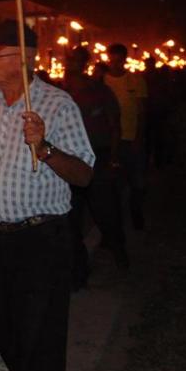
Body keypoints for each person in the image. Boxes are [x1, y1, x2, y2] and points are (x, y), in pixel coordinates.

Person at [0, 22, 94, 371]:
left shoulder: (56, 104)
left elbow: (83, 174)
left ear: (23, 59)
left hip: (40, 239)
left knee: (40, 333)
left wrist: (45, 148)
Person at [62, 48, 127, 288]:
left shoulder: (99, 91)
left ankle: (119, 250)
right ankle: (78, 273)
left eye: (76, 60)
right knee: (70, 219)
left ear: (85, 63)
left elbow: (114, 125)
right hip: (70, 160)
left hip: (97, 159)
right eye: (69, 59)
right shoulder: (61, 93)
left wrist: (114, 157)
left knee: (105, 210)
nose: (71, 64)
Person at [103, 43, 148, 229]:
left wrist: (139, 138)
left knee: (137, 182)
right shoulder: (102, 81)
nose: (115, 64)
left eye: (119, 60)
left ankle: (136, 214)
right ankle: (115, 222)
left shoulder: (136, 81)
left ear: (124, 60)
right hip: (109, 141)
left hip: (130, 139)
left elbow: (142, 113)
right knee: (113, 185)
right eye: (112, 60)